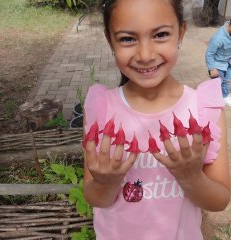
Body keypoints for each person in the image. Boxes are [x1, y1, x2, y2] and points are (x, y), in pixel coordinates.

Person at [83, 0, 231, 239]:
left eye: (161, 34)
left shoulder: (204, 110)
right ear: (110, 40)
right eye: (127, 39)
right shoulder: (101, 109)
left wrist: (191, 177)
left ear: (181, 32)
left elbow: (219, 201)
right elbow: (95, 197)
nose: (145, 55)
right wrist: (106, 183)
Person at [205, 20, 231, 106]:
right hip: (218, 65)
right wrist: (212, 68)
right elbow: (209, 54)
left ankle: (225, 96)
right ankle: (212, 100)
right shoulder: (219, 38)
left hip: (228, 63)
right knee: (217, 83)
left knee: (226, 81)